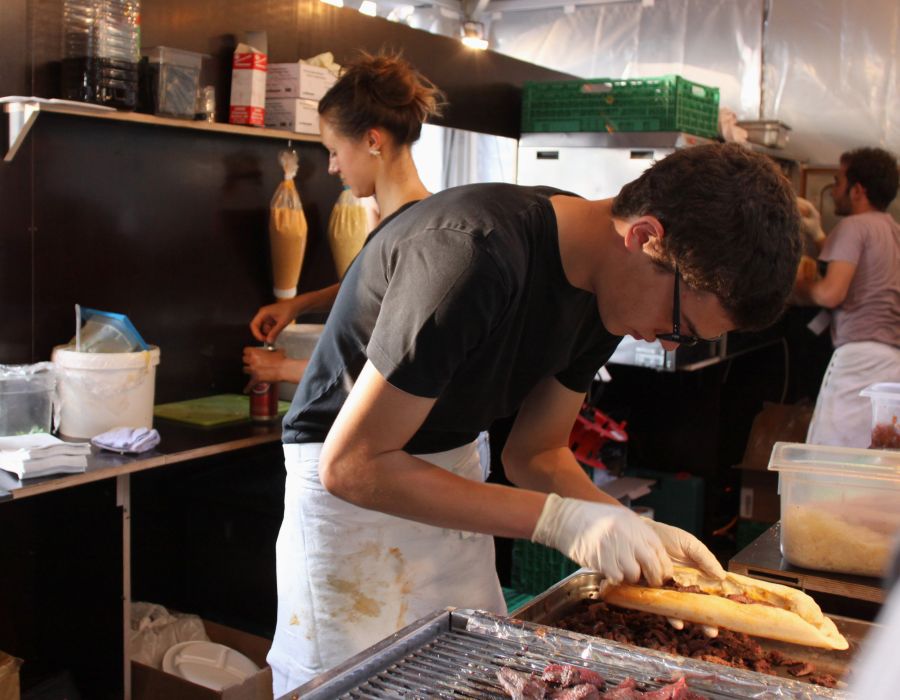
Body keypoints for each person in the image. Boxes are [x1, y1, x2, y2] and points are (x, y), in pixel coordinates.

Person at [266, 142, 801, 693]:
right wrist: (559, 521)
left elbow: (535, 453)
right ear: (644, 238)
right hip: (351, 507)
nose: (668, 347)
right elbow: (353, 467)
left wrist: (627, 526)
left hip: (447, 479)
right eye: (678, 327)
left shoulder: (603, 289)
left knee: (468, 679)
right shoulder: (473, 254)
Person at [242, 52, 441, 386]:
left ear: (372, 141)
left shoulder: (416, 235)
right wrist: (297, 305)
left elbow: (396, 367)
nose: (332, 167)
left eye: (334, 151)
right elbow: (377, 287)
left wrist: (282, 369)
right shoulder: (400, 224)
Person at [792, 147, 900, 447]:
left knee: (829, 455)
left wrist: (794, 290)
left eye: (838, 182)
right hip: (891, 362)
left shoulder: (853, 227)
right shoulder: (892, 230)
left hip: (858, 361)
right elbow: (863, 270)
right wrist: (818, 235)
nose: (834, 191)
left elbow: (831, 293)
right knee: (870, 455)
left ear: (857, 190)